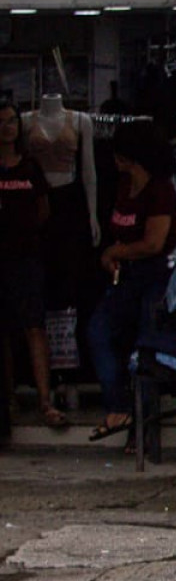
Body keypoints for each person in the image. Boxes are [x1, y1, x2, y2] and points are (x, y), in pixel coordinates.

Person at [85, 122, 176, 444]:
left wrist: (117, 250)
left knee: (144, 347)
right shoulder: (124, 186)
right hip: (125, 276)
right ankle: (118, 406)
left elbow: (154, 242)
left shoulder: (160, 189)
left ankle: (142, 431)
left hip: (155, 276)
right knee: (100, 332)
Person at [0, 102, 63, 432]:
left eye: (12, 121)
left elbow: (43, 209)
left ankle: (44, 399)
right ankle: (8, 399)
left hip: (26, 257)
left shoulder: (29, 167)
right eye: (2, 122)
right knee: (5, 332)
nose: (7, 128)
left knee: (33, 326)